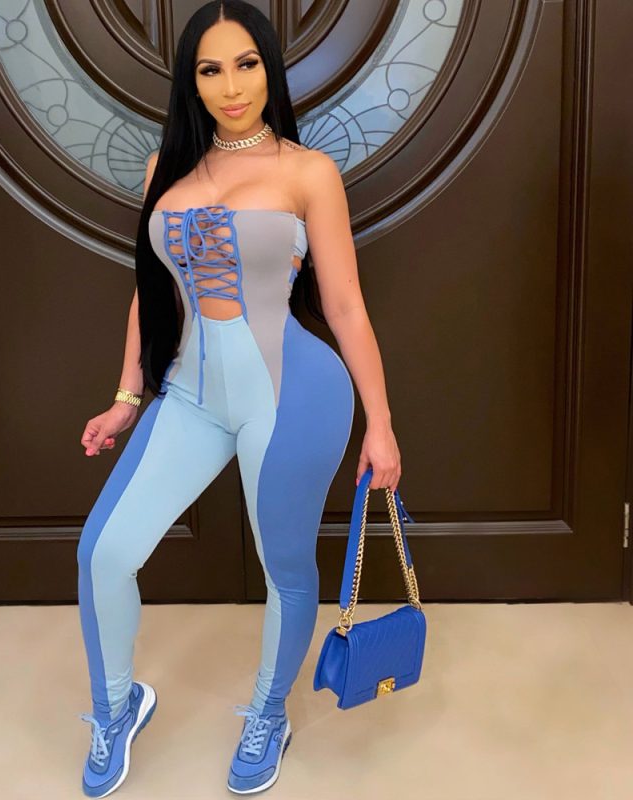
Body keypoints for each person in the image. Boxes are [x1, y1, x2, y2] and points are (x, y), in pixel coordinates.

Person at [75, 1, 401, 796]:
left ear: (269, 69)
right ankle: (115, 709)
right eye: (211, 69)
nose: (231, 87)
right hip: (189, 395)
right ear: (191, 82)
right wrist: (126, 396)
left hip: (290, 396)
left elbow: (345, 304)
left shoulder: (307, 172)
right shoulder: (165, 170)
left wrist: (382, 424)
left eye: (247, 64)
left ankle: (268, 712)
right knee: (103, 553)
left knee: (283, 564)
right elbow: (150, 292)